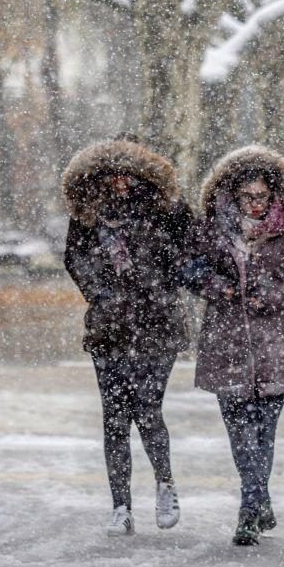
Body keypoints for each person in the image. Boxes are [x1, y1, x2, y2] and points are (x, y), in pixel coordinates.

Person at [62, 137, 192, 536]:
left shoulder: (168, 210)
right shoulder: (88, 214)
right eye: (112, 173)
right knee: (114, 419)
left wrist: (161, 286)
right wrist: (100, 293)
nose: (120, 181)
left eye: (128, 172)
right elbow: (75, 258)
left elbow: (190, 253)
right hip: (109, 329)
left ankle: (165, 483)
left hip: (158, 326)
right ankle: (121, 505)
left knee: (147, 408)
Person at [185, 145, 284, 546]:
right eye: (247, 197)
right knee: (240, 432)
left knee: (264, 431)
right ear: (232, 195)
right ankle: (255, 501)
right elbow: (189, 268)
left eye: (262, 196)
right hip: (227, 343)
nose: (255, 204)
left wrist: (275, 293)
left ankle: (250, 506)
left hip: (276, 344)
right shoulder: (211, 228)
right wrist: (219, 287)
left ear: (274, 195)